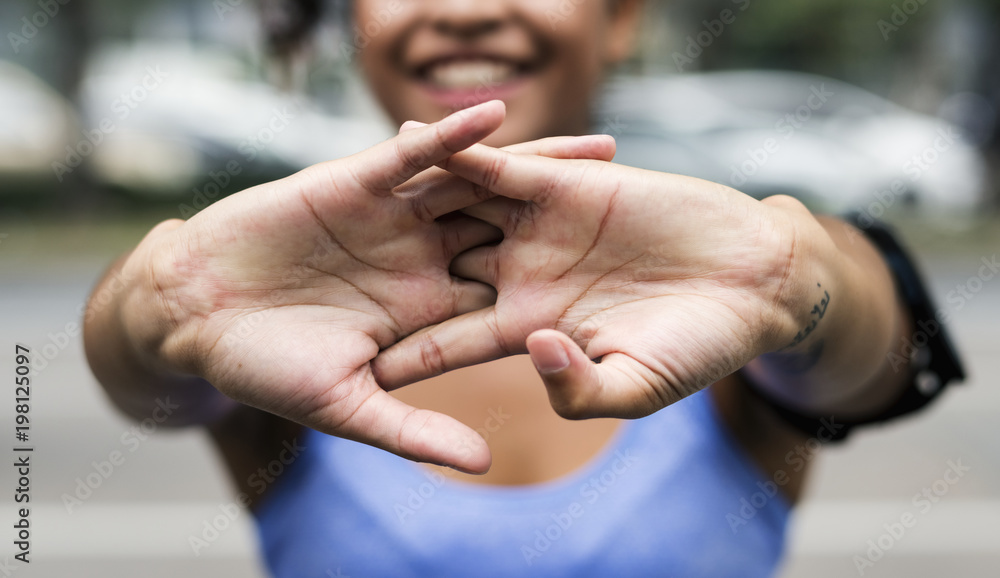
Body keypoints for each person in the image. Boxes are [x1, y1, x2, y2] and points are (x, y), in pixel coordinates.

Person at [83, 1, 960, 576]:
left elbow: (870, 365)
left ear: (618, 19)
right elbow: (148, 384)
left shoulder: (703, 283)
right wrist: (167, 299)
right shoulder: (285, 299)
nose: (465, 11)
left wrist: (788, 280)